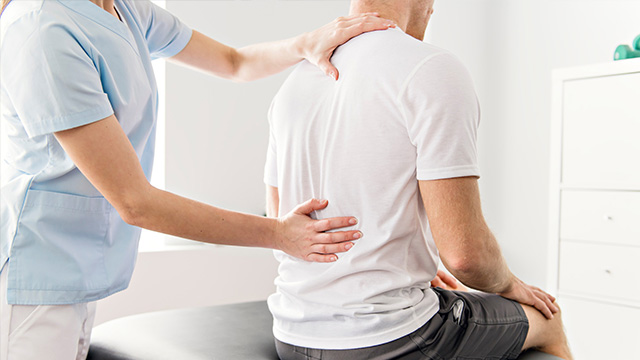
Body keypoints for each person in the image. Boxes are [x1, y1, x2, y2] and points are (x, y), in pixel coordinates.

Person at [0, 0, 397, 359]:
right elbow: (135, 201)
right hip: (35, 271)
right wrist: (278, 233)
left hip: (81, 268)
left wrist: (307, 43)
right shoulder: (42, 29)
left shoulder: (124, 10)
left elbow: (233, 61)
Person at [263, 0, 573, 359]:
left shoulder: (293, 83)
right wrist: (509, 283)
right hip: (388, 338)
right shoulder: (430, 67)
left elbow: (280, 226)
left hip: (291, 334)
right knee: (548, 317)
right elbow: (465, 257)